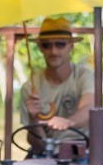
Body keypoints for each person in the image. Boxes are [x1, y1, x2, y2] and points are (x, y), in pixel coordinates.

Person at [20, 16, 96, 155]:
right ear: (40, 48)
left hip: (83, 150)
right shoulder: (29, 88)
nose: (54, 51)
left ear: (71, 46)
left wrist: (68, 122)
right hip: (46, 155)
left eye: (60, 44)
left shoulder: (84, 76)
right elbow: (37, 146)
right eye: (47, 45)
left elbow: (89, 109)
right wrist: (33, 119)